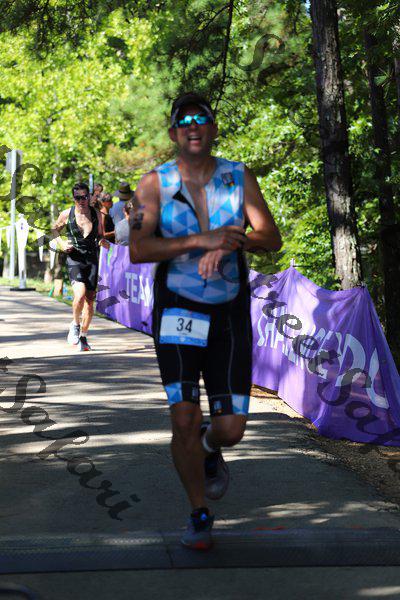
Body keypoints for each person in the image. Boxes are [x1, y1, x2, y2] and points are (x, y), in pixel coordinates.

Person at [129, 92, 282, 549]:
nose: (193, 126)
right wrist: (201, 239)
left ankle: (210, 447)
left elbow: (270, 236)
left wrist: (233, 241)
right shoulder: (152, 184)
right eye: (184, 121)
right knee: (183, 416)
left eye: (202, 119)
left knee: (231, 429)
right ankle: (198, 513)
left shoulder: (238, 176)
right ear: (173, 132)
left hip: (228, 313)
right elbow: (138, 248)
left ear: (213, 129)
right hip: (178, 310)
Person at [51, 182, 109, 351]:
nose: (81, 201)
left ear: (89, 197)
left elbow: (100, 235)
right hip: (74, 259)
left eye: (84, 197)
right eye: (78, 198)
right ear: (74, 198)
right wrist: (62, 244)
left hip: (91, 259)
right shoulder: (66, 214)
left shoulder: (96, 213)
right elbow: (54, 231)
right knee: (80, 295)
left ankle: (83, 336)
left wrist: (102, 241)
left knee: (90, 302)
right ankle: (75, 324)